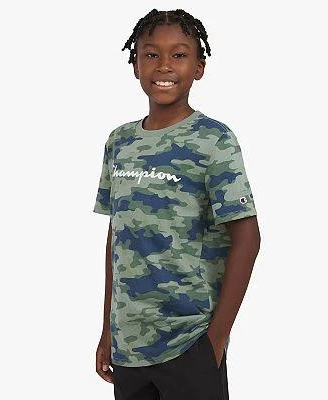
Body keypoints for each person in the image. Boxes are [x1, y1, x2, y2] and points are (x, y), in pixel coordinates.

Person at [93, 8, 261, 400]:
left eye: (179, 54)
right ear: (135, 64)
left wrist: (214, 342)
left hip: (190, 341)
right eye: (151, 54)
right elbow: (118, 236)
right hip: (129, 345)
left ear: (198, 67)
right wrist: (107, 330)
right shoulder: (119, 142)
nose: (164, 65)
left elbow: (248, 238)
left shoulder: (214, 140)